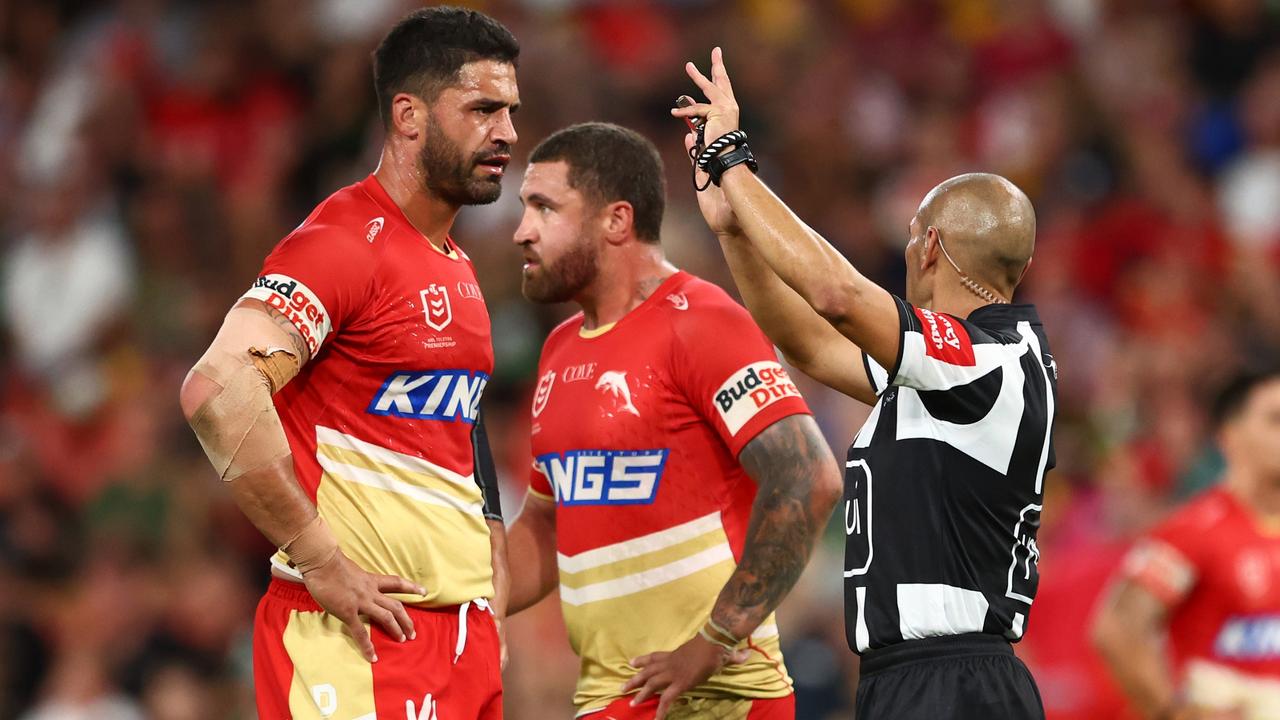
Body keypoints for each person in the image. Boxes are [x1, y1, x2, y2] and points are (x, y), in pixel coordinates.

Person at [672, 48, 1056, 719]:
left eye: (912, 238)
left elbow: (836, 295)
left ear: (930, 248)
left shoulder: (989, 359)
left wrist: (734, 162)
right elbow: (811, 344)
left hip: (957, 682)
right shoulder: (951, 370)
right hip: (908, 677)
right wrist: (735, 229)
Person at [177, 7, 519, 718]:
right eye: (483, 109)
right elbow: (217, 389)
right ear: (409, 116)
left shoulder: (453, 262)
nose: (508, 133)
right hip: (359, 642)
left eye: (511, 111)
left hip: (461, 642)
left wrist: (489, 562)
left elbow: (459, 423)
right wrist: (320, 558)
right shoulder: (343, 243)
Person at [505, 122, 843, 720]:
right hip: (610, 700)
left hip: (719, 701)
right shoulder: (558, 350)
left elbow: (808, 475)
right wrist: (459, 597)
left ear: (616, 221)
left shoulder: (701, 321)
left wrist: (716, 637)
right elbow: (545, 523)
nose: (521, 231)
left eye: (544, 208)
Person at [1092, 368, 1280, 720]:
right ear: (1231, 437)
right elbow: (1118, 628)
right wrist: (1174, 713)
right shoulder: (1194, 531)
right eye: (1275, 420)